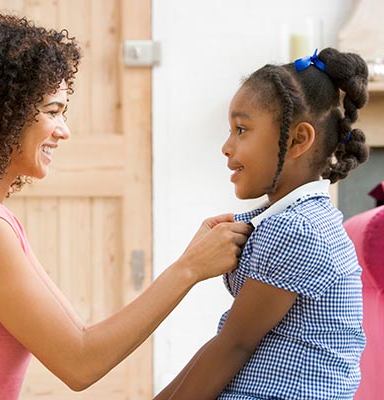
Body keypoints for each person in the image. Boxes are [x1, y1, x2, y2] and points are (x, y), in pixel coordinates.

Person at [0, 14, 251, 399]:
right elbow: (79, 363)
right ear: (1, 115)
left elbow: (83, 340)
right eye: (53, 111)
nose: (64, 129)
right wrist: (189, 268)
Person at [154, 47, 370, 400]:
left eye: (241, 129)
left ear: (298, 140)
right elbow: (226, 344)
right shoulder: (289, 219)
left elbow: (233, 346)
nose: (226, 146)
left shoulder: (297, 229)